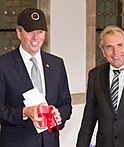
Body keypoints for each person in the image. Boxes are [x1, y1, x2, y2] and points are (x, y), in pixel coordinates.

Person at [0, 7, 72, 147]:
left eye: (40, 32)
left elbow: (66, 103)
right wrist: (25, 112)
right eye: (30, 32)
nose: (36, 37)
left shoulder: (57, 64)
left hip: (50, 142)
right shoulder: (3, 65)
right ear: (19, 33)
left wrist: (59, 115)